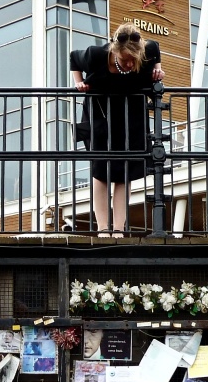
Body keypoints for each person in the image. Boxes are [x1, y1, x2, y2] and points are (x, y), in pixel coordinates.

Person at [70, 23, 165, 236]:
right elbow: (74, 59)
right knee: (100, 170)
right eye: (125, 59)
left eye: (134, 59)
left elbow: (155, 48)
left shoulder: (148, 51)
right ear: (114, 51)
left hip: (132, 116)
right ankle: (103, 229)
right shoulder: (96, 55)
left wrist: (157, 68)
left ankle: (119, 229)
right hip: (100, 114)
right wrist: (79, 83)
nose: (130, 64)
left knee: (125, 172)